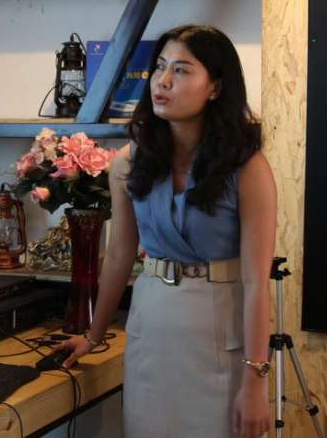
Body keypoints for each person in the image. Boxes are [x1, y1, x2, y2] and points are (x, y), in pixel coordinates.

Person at [56, 24, 278, 438]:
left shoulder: (248, 167)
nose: (162, 81)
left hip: (220, 334)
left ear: (215, 87)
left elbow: (255, 282)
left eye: (181, 70)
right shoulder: (129, 161)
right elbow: (119, 256)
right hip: (152, 331)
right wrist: (93, 336)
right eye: (160, 66)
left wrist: (255, 381)